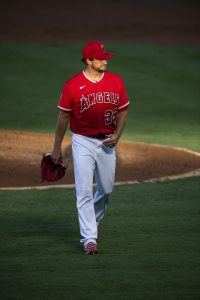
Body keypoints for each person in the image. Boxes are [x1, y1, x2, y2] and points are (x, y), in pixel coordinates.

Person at [51, 41, 129, 255]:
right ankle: (89, 239)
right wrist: (56, 147)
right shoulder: (72, 85)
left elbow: (123, 110)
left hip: (107, 142)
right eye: (101, 58)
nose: (106, 61)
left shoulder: (116, 81)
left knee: (106, 189)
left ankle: (90, 224)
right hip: (82, 141)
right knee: (84, 191)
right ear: (88, 60)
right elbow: (63, 117)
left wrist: (118, 134)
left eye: (106, 58)